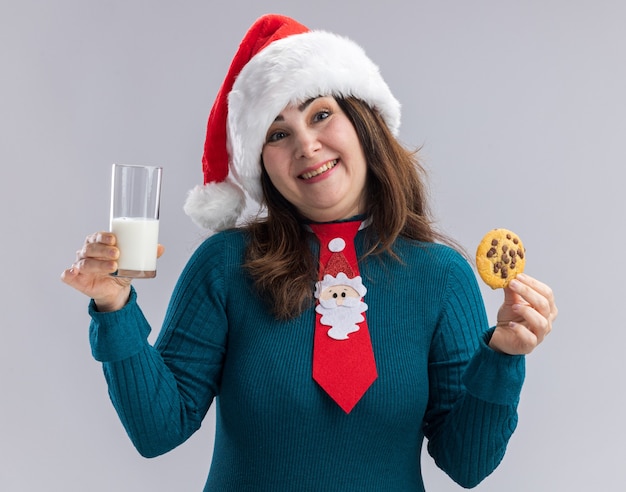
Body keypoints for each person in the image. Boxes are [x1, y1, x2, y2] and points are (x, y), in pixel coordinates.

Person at [61, 14, 557, 491]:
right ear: (263, 165)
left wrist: (503, 358)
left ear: (363, 124)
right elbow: (157, 430)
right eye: (278, 133)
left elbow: (466, 464)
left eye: (321, 114)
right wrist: (114, 306)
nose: (307, 144)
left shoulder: (442, 276)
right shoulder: (224, 266)